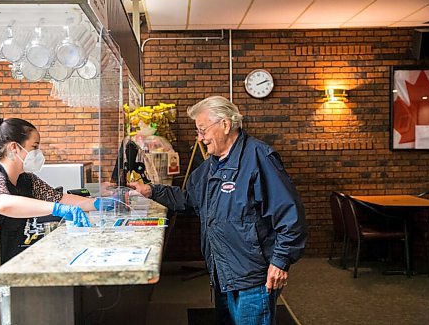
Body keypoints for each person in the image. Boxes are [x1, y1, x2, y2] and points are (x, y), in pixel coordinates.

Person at [129, 96, 308, 325]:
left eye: (202, 130)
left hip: (253, 276)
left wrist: (281, 261)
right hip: (222, 272)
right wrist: (151, 191)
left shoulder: (259, 157)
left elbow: (290, 215)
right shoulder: (211, 165)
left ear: (225, 124)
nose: (200, 138)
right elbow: (189, 201)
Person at [0, 117, 112, 263]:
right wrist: (58, 209)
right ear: (14, 147)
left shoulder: (26, 179)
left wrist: (97, 204)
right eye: (34, 147)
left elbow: (58, 198)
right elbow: (4, 204)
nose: (38, 153)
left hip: (3, 259)